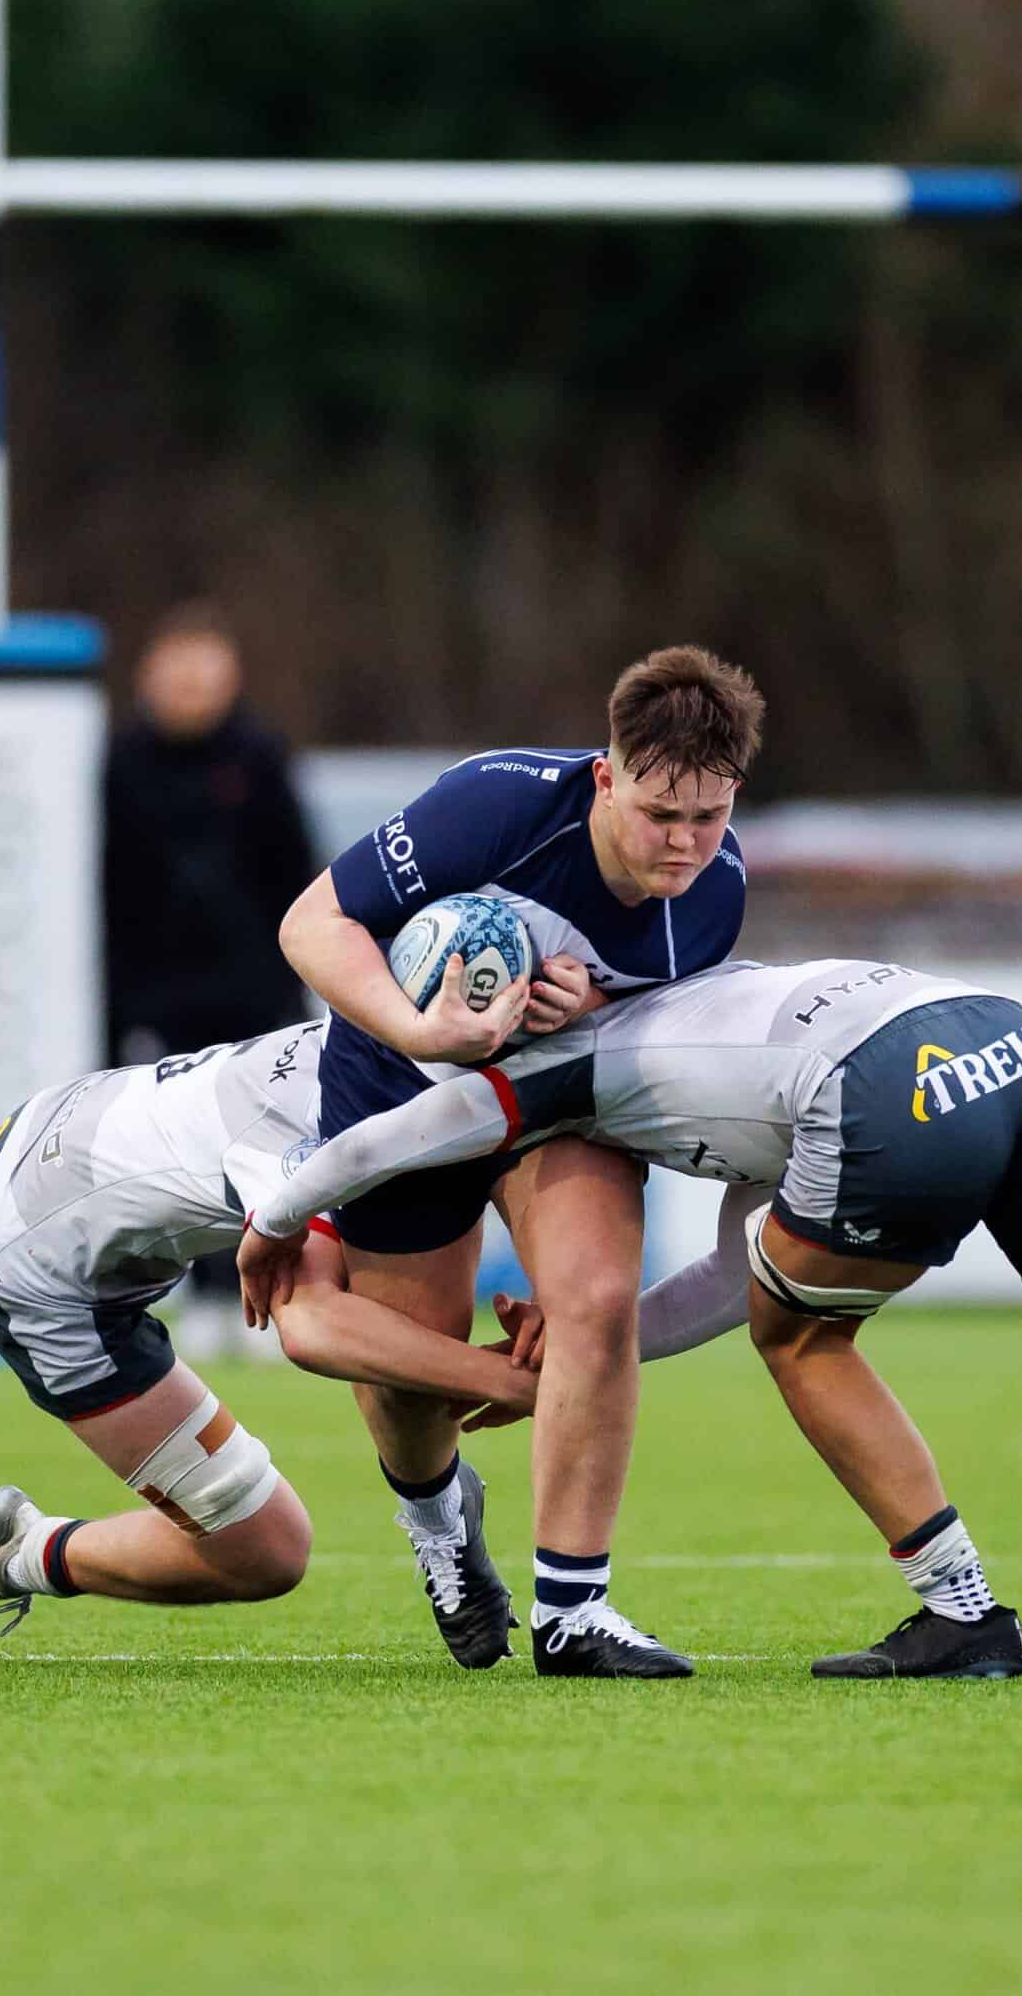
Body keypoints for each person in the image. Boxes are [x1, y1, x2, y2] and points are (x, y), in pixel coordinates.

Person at [236, 957, 1022, 1684]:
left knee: (800, 1338)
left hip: (887, 1085)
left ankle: (962, 1614)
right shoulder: (712, 1013)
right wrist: (582, 1355)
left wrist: (277, 1213)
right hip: (1018, 1044)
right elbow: (734, 1268)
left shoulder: (565, 1066)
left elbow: (402, 1138)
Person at [279, 644, 764, 1678]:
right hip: (400, 1085)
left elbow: (651, 1053)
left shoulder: (714, 903)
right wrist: (421, 1032)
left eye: (707, 817)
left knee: (594, 1302)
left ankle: (571, 1612)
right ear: (606, 775)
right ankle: (439, 1525)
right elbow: (312, 923)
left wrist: (592, 1007)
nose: (681, 844)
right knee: (412, 1392)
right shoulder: (494, 805)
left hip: (554, 1101)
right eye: (657, 813)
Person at [0, 1024, 535, 1658]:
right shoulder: (316, 1137)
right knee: (269, 1550)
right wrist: (509, 1382)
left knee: (58, 1223)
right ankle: (20, 1554)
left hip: (72, 1121)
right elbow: (313, 1327)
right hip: (58, 1295)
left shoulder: (368, 1044)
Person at [104, 605, 318, 1351]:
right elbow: (107, 888)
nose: (192, 683)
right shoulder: (121, 762)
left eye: (206, 665)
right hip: (159, 997)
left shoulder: (259, 757)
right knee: (174, 1155)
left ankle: (265, 1291)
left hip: (256, 992)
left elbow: (298, 875)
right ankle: (197, 1295)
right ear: (148, 676)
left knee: (265, 1151)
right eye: (178, 667)